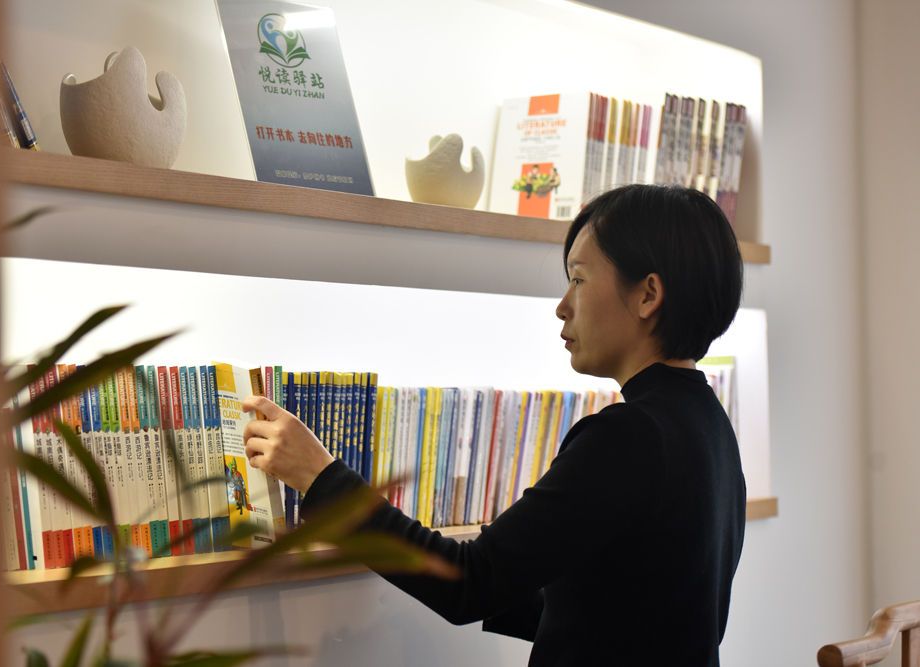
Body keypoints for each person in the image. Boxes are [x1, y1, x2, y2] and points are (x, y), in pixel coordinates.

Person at [242, 184, 747, 666]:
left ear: (647, 295)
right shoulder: (710, 425)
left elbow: (470, 582)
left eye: (578, 279)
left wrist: (321, 477)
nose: (562, 306)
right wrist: (505, 578)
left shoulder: (628, 437)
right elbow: (626, 611)